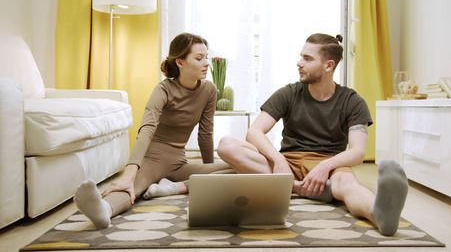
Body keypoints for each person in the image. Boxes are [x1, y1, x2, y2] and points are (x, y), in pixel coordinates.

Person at [217, 33, 408, 236]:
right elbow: (254, 132)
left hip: (330, 165)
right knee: (227, 145)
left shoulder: (353, 101)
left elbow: (358, 152)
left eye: (307, 59)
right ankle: (302, 188)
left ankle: (378, 214)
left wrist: (325, 166)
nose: (299, 63)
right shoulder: (289, 93)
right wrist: (278, 159)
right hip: (288, 163)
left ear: (328, 66)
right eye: (301, 56)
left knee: (348, 185)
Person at [74, 32, 232, 229]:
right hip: (154, 157)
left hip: (179, 162)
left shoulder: (209, 90)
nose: (206, 63)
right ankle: (104, 209)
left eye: (206, 57)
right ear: (181, 62)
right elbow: (147, 129)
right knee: (132, 186)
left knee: (235, 169)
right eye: (199, 58)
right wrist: (130, 173)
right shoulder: (163, 89)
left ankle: (172, 188)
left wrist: (207, 176)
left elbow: (205, 133)